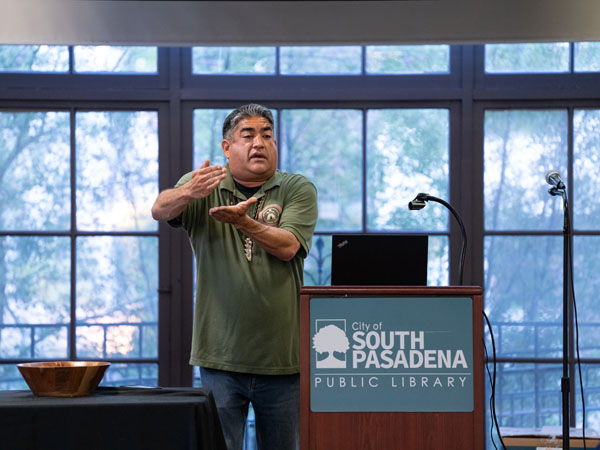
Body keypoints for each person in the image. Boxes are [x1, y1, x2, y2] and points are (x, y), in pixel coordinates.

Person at [151, 104, 318, 450]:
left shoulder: (296, 188)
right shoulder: (203, 185)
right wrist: (186, 193)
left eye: (267, 135)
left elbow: (287, 246)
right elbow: (159, 209)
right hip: (220, 357)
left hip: (283, 360)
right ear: (227, 148)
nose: (259, 143)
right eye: (248, 135)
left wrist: (243, 221)